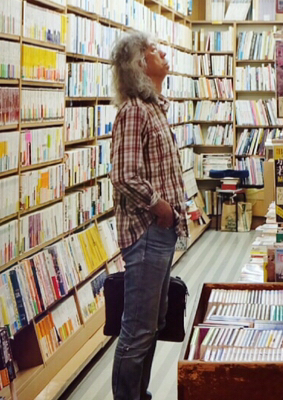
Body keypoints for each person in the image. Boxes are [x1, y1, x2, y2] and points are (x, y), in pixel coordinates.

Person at [110, 32, 187, 400]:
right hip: (146, 233)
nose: (163, 52)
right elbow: (124, 175)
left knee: (153, 324)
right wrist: (162, 208)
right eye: (154, 50)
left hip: (161, 231)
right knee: (138, 329)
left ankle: (140, 395)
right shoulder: (133, 111)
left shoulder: (155, 108)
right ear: (140, 63)